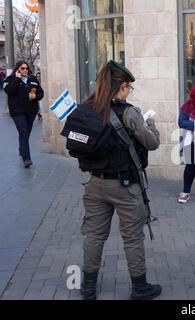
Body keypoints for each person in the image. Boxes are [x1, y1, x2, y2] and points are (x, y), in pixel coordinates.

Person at [62, 61, 162, 300]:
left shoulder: (87, 108)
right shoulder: (128, 112)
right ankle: (139, 288)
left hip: (94, 184)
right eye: (129, 87)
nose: (129, 92)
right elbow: (152, 143)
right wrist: (151, 124)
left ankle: (87, 288)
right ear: (123, 86)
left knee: (94, 236)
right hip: (125, 187)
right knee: (132, 237)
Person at [4, 60, 44, 168]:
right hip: (17, 112)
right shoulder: (10, 79)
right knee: (24, 132)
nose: (25, 70)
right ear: (17, 69)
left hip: (31, 111)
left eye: (26, 68)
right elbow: (9, 91)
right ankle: (27, 158)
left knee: (26, 133)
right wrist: (17, 79)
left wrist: (35, 96)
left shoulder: (33, 79)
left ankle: (22, 149)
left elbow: (41, 93)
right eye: (22, 68)